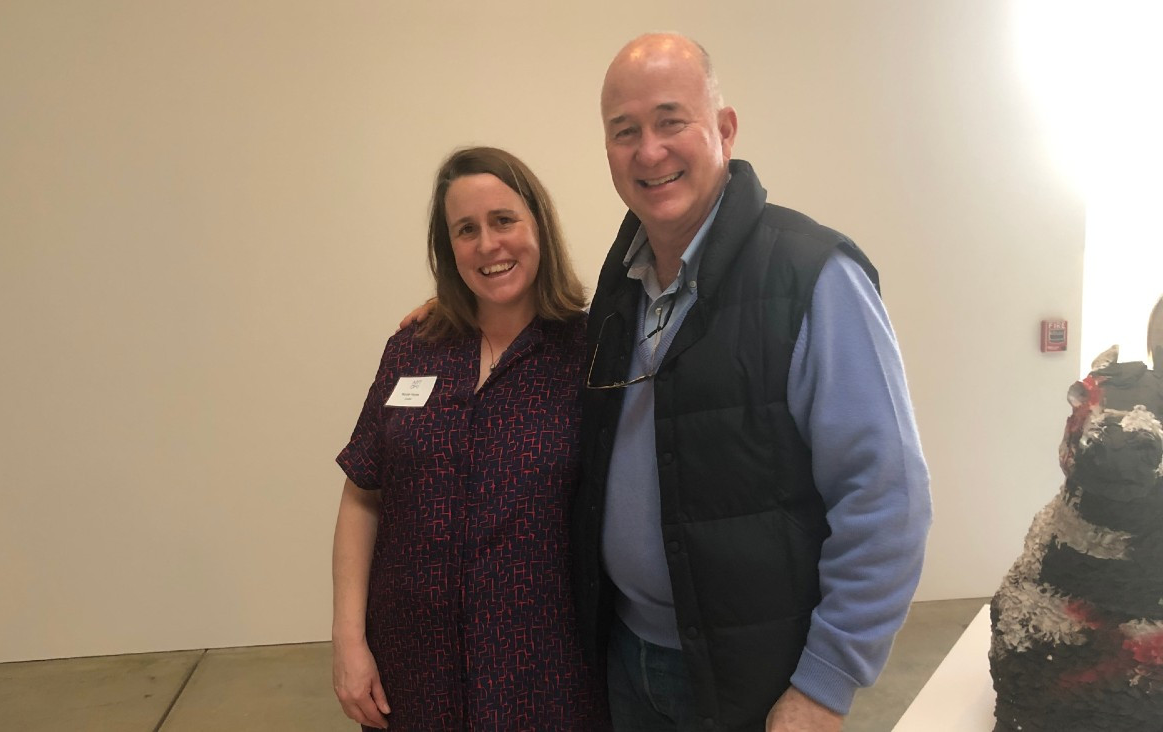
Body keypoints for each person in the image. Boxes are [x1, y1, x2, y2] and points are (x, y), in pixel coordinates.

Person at [572, 33, 932, 731]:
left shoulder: (813, 277)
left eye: (671, 120)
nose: (650, 151)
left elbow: (888, 496)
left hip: (755, 682)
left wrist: (826, 685)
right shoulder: (621, 289)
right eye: (625, 131)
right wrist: (465, 319)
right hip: (626, 660)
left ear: (724, 129)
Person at [332, 146, 608, 731]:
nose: (488, 245)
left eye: (503, 220)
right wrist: (349, 642)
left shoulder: (592, 355)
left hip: (546, 673)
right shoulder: (411, 348)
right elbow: (362, 494)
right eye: (466, 230)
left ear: (539, 225)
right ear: (447, 247)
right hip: (411, 671)